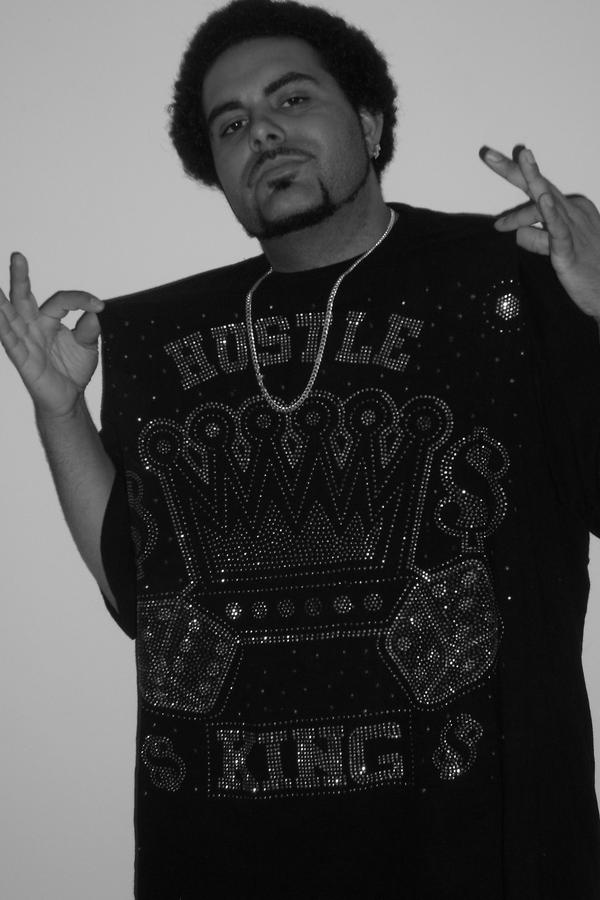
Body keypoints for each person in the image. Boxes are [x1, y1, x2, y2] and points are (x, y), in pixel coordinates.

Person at [2, 0, 600, 897]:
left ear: (370, 122)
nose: (262, 133)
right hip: (221, 864)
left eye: (291, 99)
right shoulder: (162, 337)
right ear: (215, 170)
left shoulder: (513, 278)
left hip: (484, 859)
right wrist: (59, 411)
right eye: (231, 125)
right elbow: (138, 587)